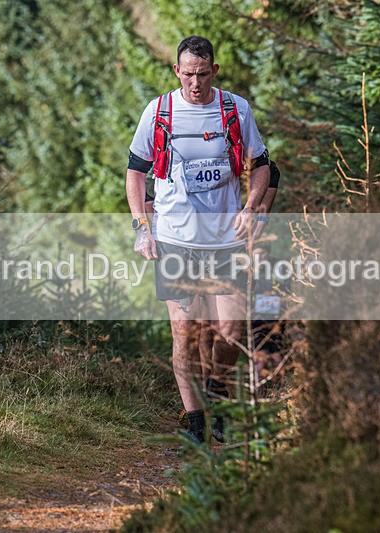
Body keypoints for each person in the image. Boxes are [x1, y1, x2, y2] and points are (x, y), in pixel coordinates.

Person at [126, 36, 270, 446]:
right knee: (184, 334)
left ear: (214, 71)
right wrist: (141, 227)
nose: (195, 83)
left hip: (225, 240)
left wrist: (253, 206)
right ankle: (195, 422)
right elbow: (135, 172)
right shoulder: (160, 111)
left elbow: (261, 164)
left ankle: (218, 391)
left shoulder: (235, 108)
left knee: (230, 331)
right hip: (175, 239)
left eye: (202, 74)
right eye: (187, 74)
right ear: (177, 72)